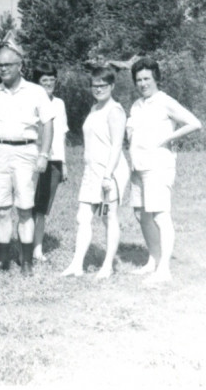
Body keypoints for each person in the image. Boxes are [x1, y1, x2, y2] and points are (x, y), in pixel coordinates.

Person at [0, 38, 54, 276]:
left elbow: (48, 124)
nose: (2, 69)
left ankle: (27, 261)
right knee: (1, 210)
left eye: (7, 65)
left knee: (25, 210)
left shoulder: (36, 92)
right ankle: (3, 260)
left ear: (19, 65)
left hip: (26, 153)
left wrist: (43, 154)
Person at [126, 57, 202, 284]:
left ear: (156, 78)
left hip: (158, 166)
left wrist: (168, 138)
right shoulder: (137, 105)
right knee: (141, 214)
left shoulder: (165, 101)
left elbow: (194, 123)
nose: (142, 83)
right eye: (138, 80)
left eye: (147, 78)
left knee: (160, 215)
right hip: (138, 167)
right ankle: (153, 260)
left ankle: (165, 270)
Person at [61, 66, 130, 279]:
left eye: (103, 86)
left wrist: (108, 176)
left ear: (112, 86)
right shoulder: (94, 108)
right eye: (95, 85)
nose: (98, 89)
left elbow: (117, 146)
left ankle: (107, 266)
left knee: (108, 217)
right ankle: (77, 265)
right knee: (83, 217)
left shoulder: (115, 110)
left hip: (110, 172)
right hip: (92, 171)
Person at [31, 63, 69, 263]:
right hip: (34, 160)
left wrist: (64, 163)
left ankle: (37, 249)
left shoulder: (59, 103)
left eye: (52, 80)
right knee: (28, 205)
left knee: (42, 208)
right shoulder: (30, 101)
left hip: (54, 162)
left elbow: (61, 134)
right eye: (44, 81)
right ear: (37, 83)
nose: (48, 84)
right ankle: (25, 246)